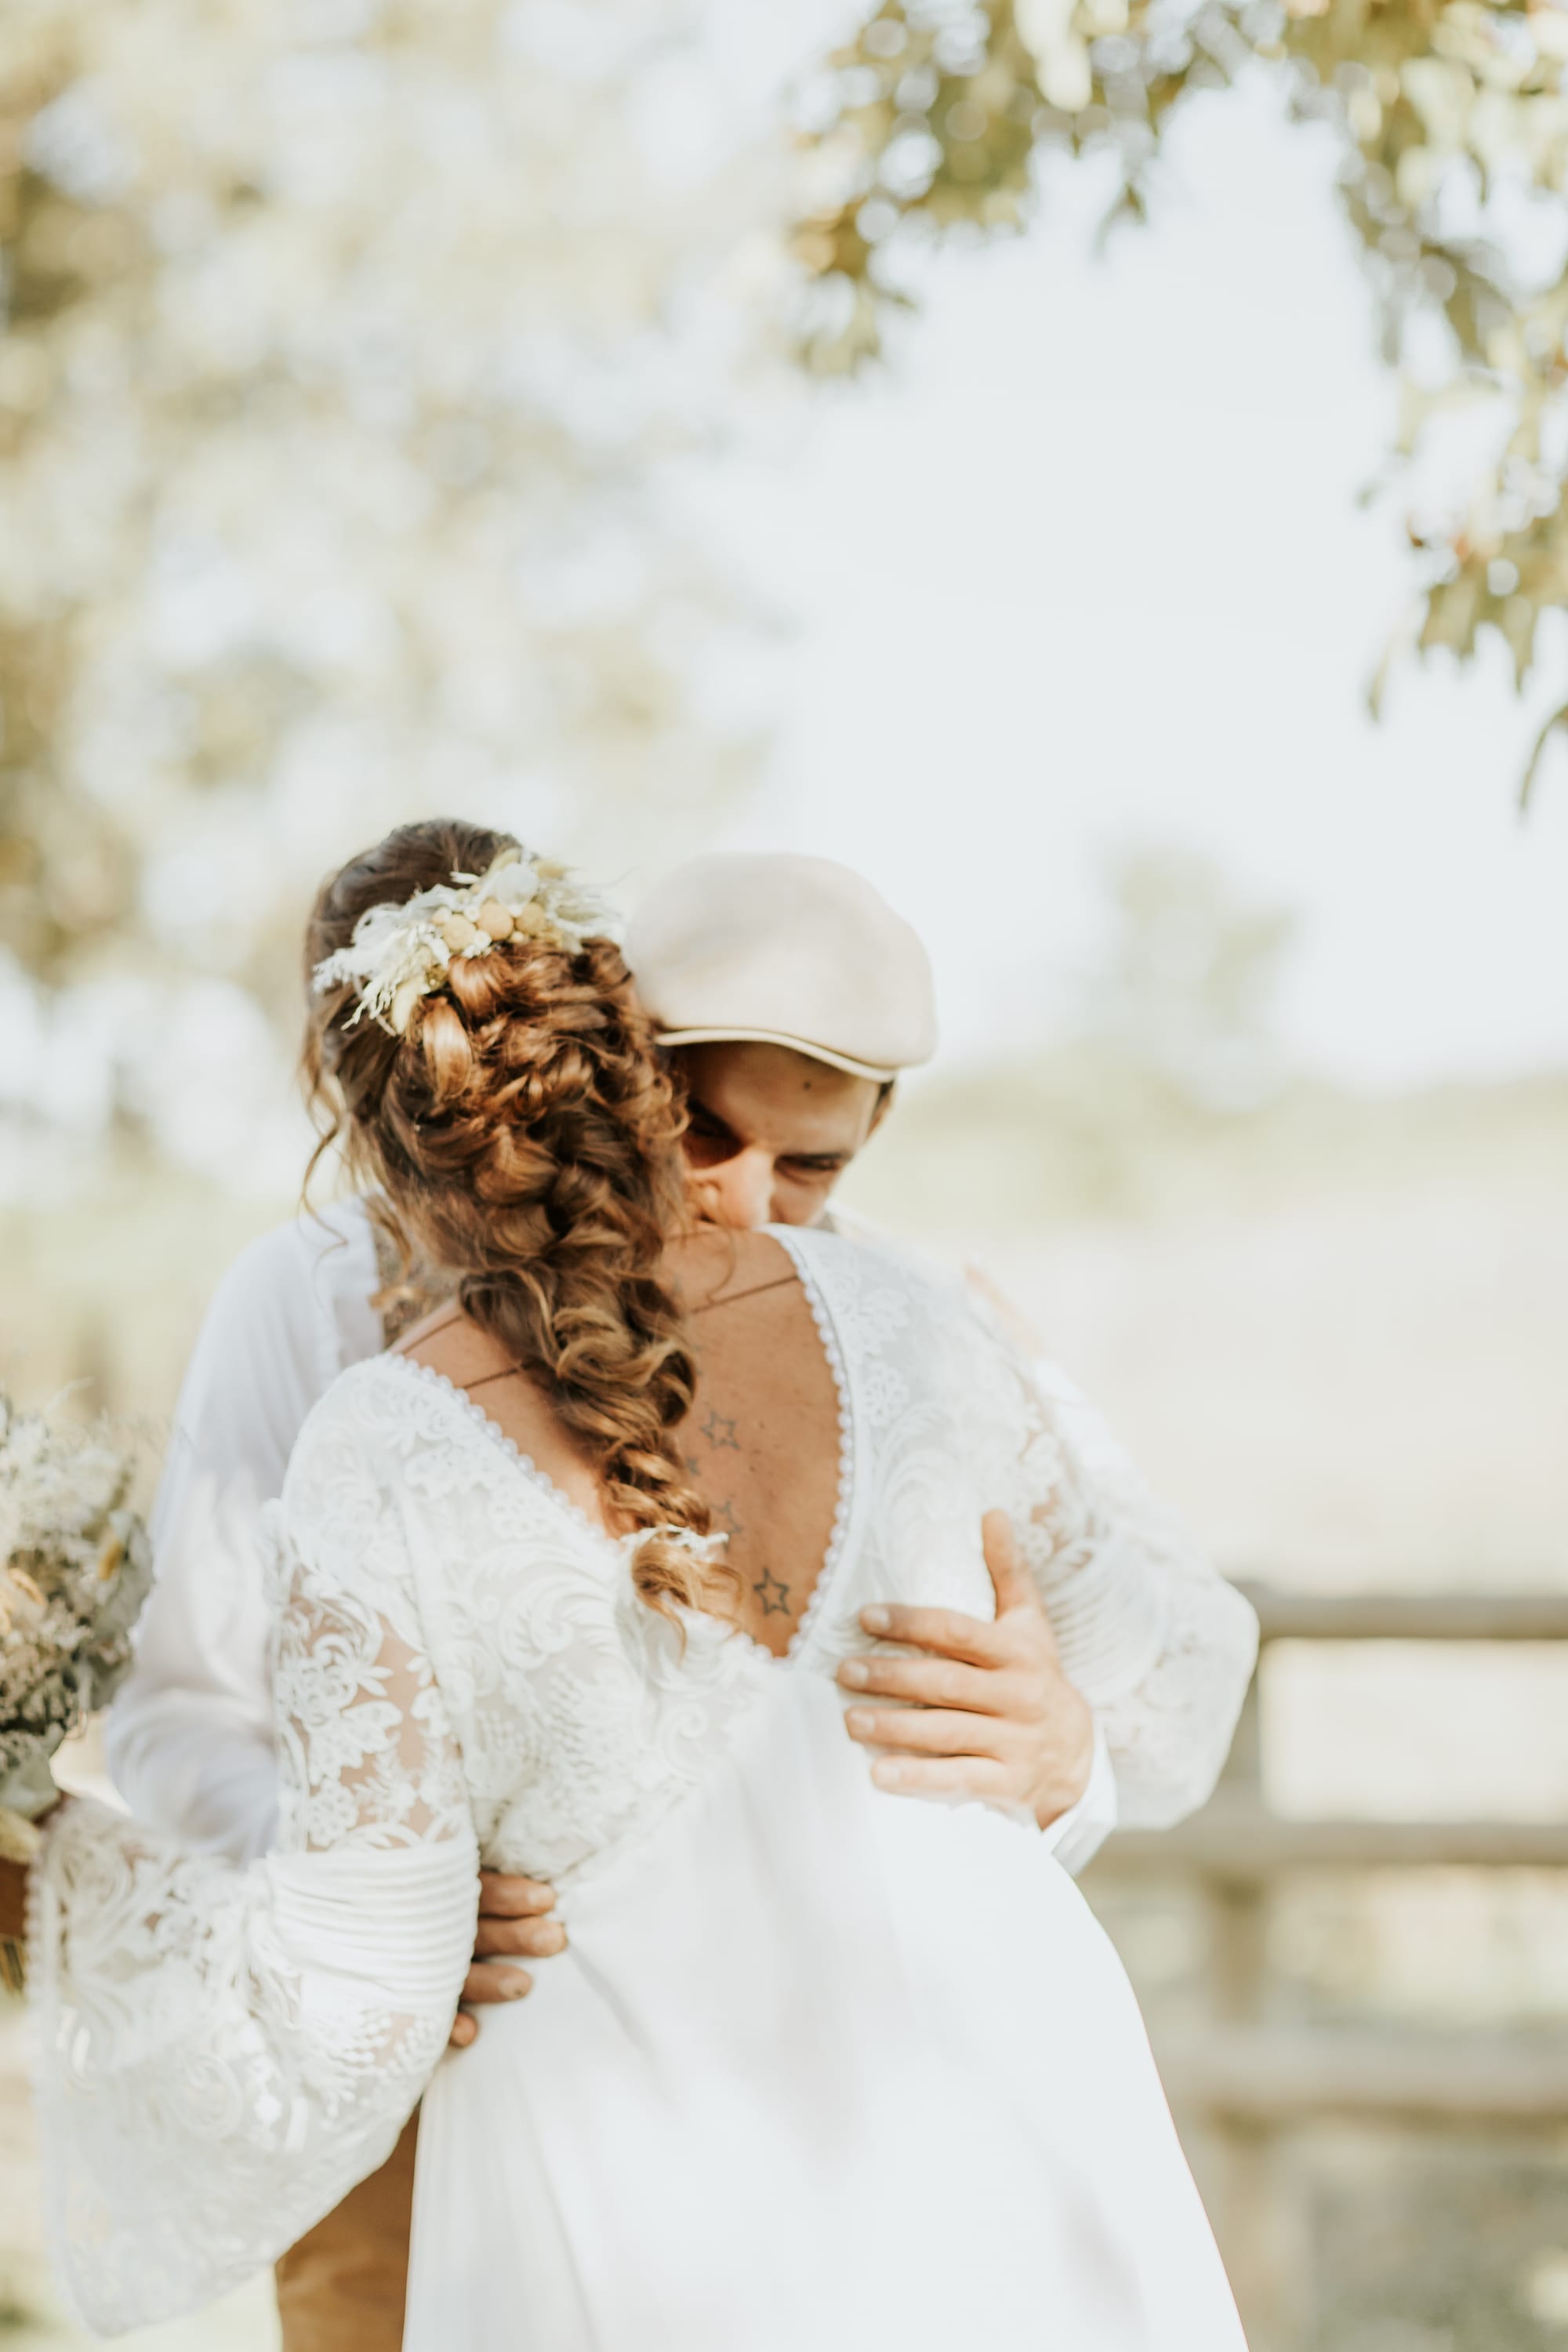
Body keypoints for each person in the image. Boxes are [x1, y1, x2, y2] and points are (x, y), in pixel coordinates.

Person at [11, 823, 1252, 2349]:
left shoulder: (919, 1324)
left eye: (813, 1165)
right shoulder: (315, 1309)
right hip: (469, 2102)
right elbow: (189, 1711)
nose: (745, 1198)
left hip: (888, 2135)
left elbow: (1154, 1679)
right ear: (617, 1068)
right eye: (708, 1135)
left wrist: (1065, 1759)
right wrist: (391, 1892)